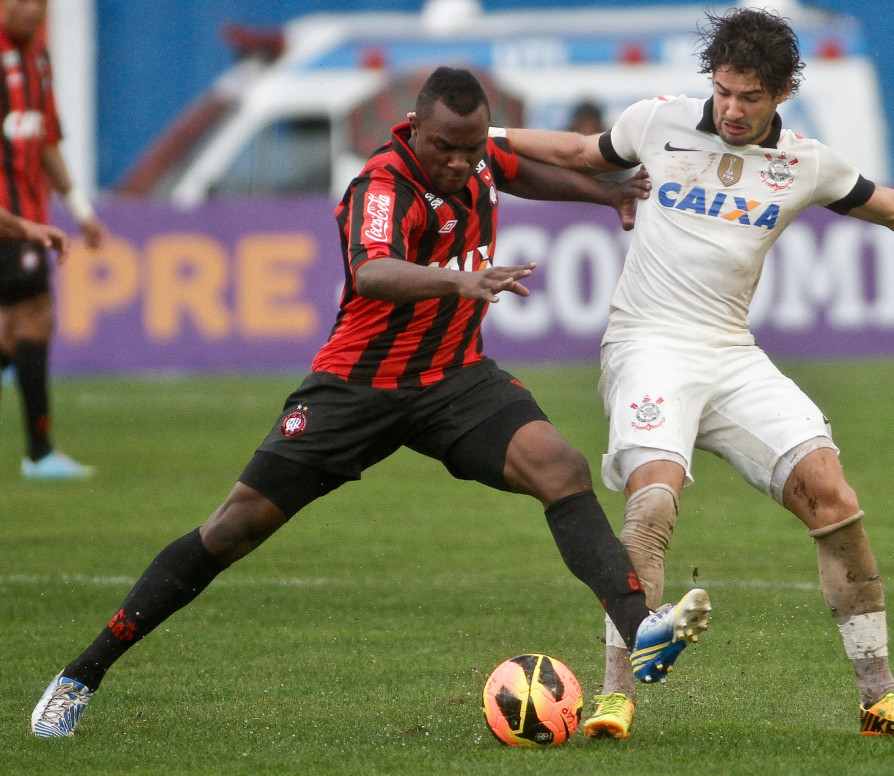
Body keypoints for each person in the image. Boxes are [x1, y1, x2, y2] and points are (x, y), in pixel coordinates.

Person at [30, 66, 711, 739]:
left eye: (471, 149)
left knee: (559, 467)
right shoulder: (381, 184)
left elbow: (516, 169)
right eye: (445, 147)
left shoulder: (475, 154)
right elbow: (372, 271)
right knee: (232, 529)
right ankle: (81, 676)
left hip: (452, 378)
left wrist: (609, 196)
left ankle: (640, 631)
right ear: (415, 129)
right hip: (357, 388)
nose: (459, 162)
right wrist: (457, 283)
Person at [501, 7, 894, 740]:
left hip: (730, 352)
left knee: (833, 496)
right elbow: (582, 152)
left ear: (783, 92)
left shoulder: (806, 163)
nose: (731, 108)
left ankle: (880, 697)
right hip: (647, 344)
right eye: (722, 91)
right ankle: (615, 695)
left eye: (750, 96)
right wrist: (482, 138)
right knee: (652, 507)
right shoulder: (657, 121)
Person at [0, 0, 106, 480]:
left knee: (23, 325)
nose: (31, 10)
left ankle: (40, 452)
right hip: (10, 220)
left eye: (39, 3)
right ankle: (39, 453)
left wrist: (80, 209)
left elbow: (46, 141)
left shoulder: (38, 57)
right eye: (20, 1)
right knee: (34, 319)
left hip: (28, 217)